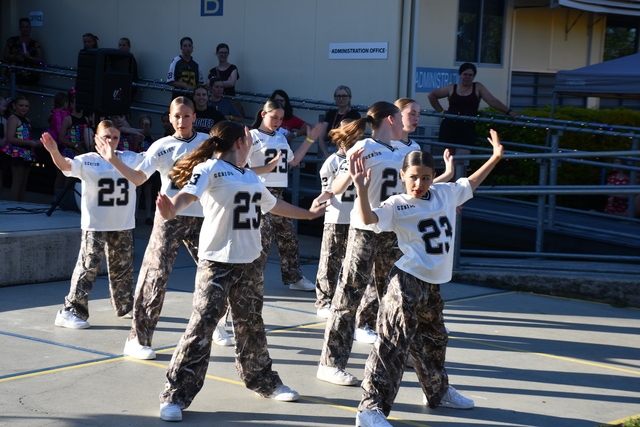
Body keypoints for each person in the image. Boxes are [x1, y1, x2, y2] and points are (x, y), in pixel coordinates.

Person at [155, 121, 326, 422]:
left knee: (251, 325)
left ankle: (264, 381)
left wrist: (309, 214)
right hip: (217, 262)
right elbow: (188, 195)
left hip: (250, 261)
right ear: (239, 142)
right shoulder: (209, 168)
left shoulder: (249, 175)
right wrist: (171, 209)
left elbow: (274, 205)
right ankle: (174, 395)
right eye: (248, 139)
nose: (251, 143)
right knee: (201, 326)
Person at [353, 131, 504, 427]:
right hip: (406, 282)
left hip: (431, 284)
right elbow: (369, 219)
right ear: (402, 175)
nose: (418, 184)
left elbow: (471, 182)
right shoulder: (397, 203)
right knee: (391, 345)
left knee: (435, 339)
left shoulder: (446, 193)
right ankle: (369, 411)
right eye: (412, 177)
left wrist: (495, 157)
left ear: (434, 177)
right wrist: (361, 188)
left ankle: (438, 392)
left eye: (425, 178)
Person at [95, 97, 210, 360]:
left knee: (214, 274)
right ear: (169, 118)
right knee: (155, 276)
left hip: (203, 217)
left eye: (186, 116)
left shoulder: (208, 143)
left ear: (194, 117)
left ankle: (217, 325)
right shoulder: (161, 146)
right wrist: (113, 160)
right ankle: (137, 339)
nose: (181, 121)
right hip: (169, 218)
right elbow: (138, 178)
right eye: (176, 116)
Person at [316, 101, 405, 386]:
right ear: (390, 119)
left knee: (397, 298)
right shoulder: (364, 147)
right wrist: (341, 185)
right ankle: (330, 363)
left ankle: (396, 358)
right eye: (401, 117)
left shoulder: (403, 151)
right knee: (348, 296)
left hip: (393, 232)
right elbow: (338, 185)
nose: (405, 122)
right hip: (365, 230)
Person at [353, 98, 455, 344]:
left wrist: (445, 195)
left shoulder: (412, 147)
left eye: (419, 114)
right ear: (394, 117)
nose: (416, 118)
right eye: (411, 114)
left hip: (401, 220)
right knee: (371, 278)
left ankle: (404, 326)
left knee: (393, 277)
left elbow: (420, 186)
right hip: (377, 217)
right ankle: (363, 323)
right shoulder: (379, 145)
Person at [42, 121, 144, 328]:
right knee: (88, 266)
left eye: (115, 137)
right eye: (106, 137)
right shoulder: (88, 160)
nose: (111, 141)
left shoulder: (130, 158)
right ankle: (70, 310)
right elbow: (66, 166)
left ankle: (125, 306)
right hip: (96, 224)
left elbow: (152, 161)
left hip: (122, 223)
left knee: (123, 267)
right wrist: (53, 151)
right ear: (96, 138)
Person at [246, 100, 323, 292]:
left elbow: (293, 161)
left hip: (278, 196)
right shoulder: (252, 136)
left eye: (281, 119)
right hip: (260, 195)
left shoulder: (280, 137)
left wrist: (310, 139)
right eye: (274, 117)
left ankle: (294, 279)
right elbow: (242, 168)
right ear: (263, 114)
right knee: (261, 240)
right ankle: (250, 281)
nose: (277, 122)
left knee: (288, 238)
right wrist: (266, 168)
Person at [428, 62, 516, 160]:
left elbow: (492, 101)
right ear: (460, 75)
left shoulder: (478, 87)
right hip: (450, 125)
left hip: (467, 127)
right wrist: (441, 112)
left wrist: (509, 111)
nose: (467, 77)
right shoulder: (452, 88)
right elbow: (432, 95)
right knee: (449, 158)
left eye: (470, 75)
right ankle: (450, 171)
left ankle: (457, 171)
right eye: (465, 74)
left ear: (474, 76)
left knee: (461, 159)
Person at [314, 119, 357, 318]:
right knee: (329, 260)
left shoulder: (364, 158)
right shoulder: (332, 162)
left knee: (353, 263)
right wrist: (317, 203)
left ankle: (348, 301)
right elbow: (327, 191)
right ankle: (324, 302)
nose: (352, 141)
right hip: (337, 217)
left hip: (357, 218)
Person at [1, 96, 41, 201]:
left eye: (26, 106)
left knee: (23, 182)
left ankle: (20, 203)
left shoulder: (26, 120)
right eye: (21, 105)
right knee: (17, 181)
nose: (24, 108)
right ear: (14, 106)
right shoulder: (13, 118)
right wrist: (29, 142)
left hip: (27, 152)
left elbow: (26, 136)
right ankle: (14, 204)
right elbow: (10, 138)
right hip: (17, 152)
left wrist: (35, 142)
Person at [317, 85, 361, 158]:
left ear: (349, 98)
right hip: (329, 149)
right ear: (335, 98)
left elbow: (356, 136)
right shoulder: (330, 114)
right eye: (338, 96)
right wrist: (326, 154)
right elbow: (321, 137)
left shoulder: (355, 115)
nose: (341, 99)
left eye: (344, 96)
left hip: (346, 150)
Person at [3, 18, 44, 87]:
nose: (25, 29)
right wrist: (16, 57)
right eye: (23, 27)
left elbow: (41, 58)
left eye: (27, 27)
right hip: (13, 74)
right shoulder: (12, 41)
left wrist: (29, 57)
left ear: (30, 28)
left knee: (25, 93)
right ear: (20, 28)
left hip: (28, 76)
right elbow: (5, 55)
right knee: (12, 92)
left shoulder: (35, 44)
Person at [207, 43, 244, 117]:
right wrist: (226, 82)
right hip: (216, 101)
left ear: (228, 54)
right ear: (217, 54)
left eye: (225, 53)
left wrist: (215, 84)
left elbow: (232, 83)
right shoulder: (213, 70)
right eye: (221, 52)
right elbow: (208, 85)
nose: (223, 55)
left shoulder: (233, 68)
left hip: (229, 101)